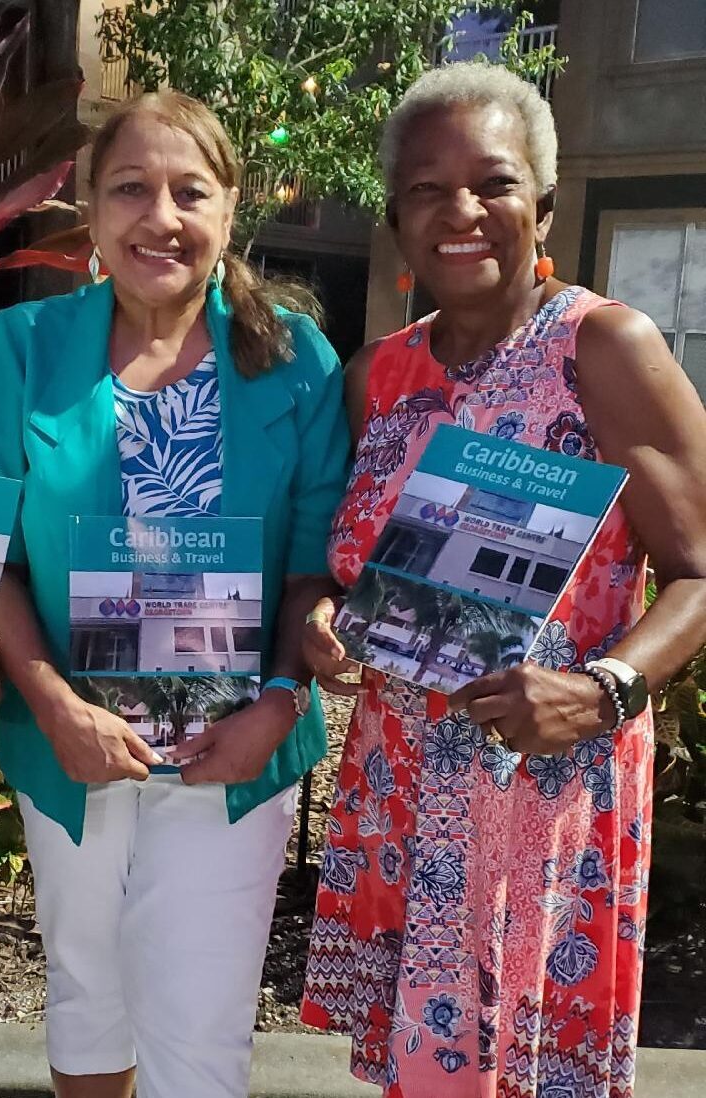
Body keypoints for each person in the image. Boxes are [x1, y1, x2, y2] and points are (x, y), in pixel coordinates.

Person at [299, 62, 706, 1098]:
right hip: (401, 792)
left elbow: (703, 569)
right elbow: (351, 569)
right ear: (394, 215)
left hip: (544, 789)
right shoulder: (374, 378)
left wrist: (605, 688)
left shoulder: (601, 348)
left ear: (545, 202)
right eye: (428, 190)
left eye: (493, 183)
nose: (461, 212)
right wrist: (324, 621)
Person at [0, 91, 350, 1098]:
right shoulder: (22, 351)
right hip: (72, 739)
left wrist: (280, 700)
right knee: (87, 988)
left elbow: (312, 561)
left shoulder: (295, 359)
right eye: (131, 188)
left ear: (230, 208)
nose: (161, 216)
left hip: (235, 749)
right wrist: (53, 704)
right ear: (91, 209)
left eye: (191, 190)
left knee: (201, 1021)